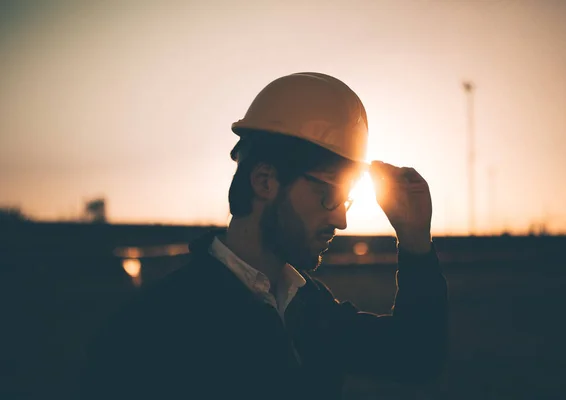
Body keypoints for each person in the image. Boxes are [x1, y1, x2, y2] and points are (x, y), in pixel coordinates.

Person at [79, 72, 448, 400]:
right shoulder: (153, 331)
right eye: (330, 195)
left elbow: (417, 358)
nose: (341, 220)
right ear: (265, 181)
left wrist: (415, 240)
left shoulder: (309, 308)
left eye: (348, 200)